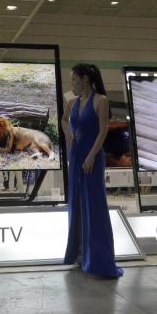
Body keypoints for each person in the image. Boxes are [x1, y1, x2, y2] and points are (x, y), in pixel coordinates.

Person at [62, 63, 123, 279]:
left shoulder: (101, 101)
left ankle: (97, 259)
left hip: (92, 159)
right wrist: (69, 137)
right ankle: (79, 254)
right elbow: (64, 119)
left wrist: (91, 156)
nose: (72, 84)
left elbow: (103, 130)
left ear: (85, 79)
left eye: (74, 80)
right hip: (76, 156)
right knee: (76, 205)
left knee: (94, 207)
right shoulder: (72, 102)